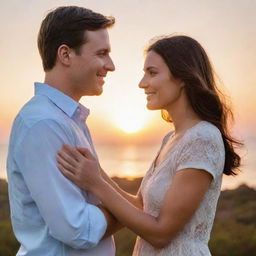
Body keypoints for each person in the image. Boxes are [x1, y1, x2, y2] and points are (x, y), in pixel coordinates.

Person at [57, 35, 242, 255]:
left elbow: (161, 233)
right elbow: (141, 208)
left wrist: (95, 183)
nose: (142, 83)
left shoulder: (202, 138)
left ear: (183, 77)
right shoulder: (171, 139)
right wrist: (98, 173)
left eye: (152, 73)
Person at [7, 6, 120, 256]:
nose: (110, 65)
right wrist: (125, 213)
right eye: (102, 53)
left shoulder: (69, 120)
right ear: (66, 55)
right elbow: (77, 229)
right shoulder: (43, 123)